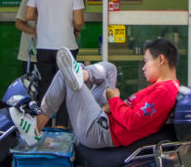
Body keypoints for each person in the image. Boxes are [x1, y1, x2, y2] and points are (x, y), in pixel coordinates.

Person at [10, 37, 180, 149]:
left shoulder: (165, 91)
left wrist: (114, 100)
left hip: (100, 131)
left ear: (161, 60)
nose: (143, 67)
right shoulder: (164, 88)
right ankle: (82, 74)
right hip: (105, 120)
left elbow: (132, 121)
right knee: (110, 69)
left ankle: (36, 127)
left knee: (63, 74)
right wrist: (111, 106)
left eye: (146, 62)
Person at [24, 0, 85, 125]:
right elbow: (78, 21)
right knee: (66, 87)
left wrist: (44, 16)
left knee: (45, 86)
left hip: (43, 46)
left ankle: (41, 127)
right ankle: (62, 127)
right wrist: (76, 29)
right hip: (66, 48)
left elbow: (28, 15)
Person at [15, 0, 53, 77]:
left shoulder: (55, 2)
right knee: (31, 85)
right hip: (30, 53)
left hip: (50, 52)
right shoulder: (27, 1)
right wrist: (35, 31)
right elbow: (19, 23)